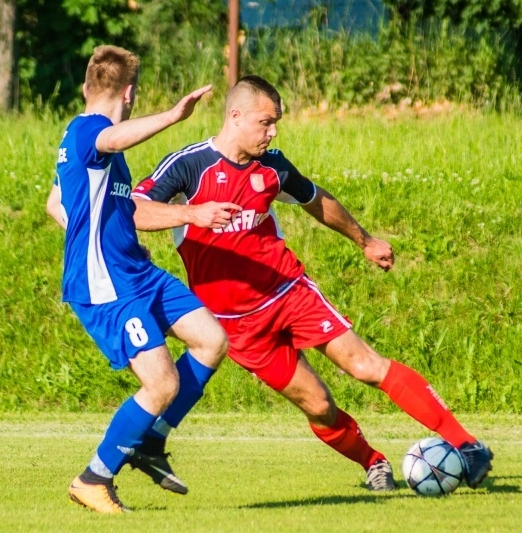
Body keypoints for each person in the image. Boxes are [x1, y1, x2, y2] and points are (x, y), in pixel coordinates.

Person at [131, 75, 493, 492]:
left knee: (365, 365)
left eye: (276, 123)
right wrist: (191, 214)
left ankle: (467, 445)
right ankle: (373, 462)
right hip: (236, 323)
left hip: (289, 292)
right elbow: (136, 209)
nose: (273, 132)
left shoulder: (273, 166)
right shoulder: (189, 165)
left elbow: (316, 200)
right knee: (319, 405)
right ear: (235, 116)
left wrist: (366, 240)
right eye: (266, 122)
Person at [45, 45, 241, 513]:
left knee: (211, 340)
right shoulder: (90, 130)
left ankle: (150, 441)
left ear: (87, 85)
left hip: (136, 270)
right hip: (106, 285)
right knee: (161, 384)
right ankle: (94, 479)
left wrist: (110, 232)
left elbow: (58, 205)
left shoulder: (82, 145)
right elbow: (111, 141)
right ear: (129, 94)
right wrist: (174, 116)